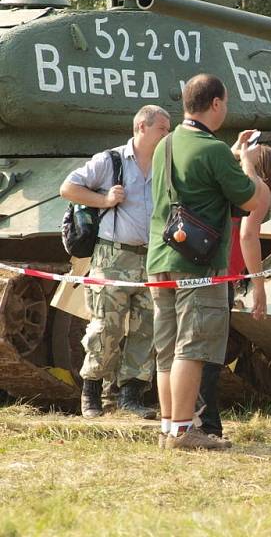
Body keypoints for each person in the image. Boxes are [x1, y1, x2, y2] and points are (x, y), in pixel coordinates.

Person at [147, 73, 269, 451]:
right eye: (225, 103)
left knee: (167, 349)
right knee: (194, 347)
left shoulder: (165, 144)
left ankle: (171, 426)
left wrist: (230, 154)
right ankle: (185, 433)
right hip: (199, 265)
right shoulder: (212, 149)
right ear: (215, 103)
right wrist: (247, 164)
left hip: (161, 258)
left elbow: (195, 179)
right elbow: (252, 201)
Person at [60, 105, 171, 419]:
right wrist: (105, 200)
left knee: (147, 327)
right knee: (104, 326)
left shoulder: (167, 162)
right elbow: (68, 187)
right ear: (141, 127)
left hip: (153, 255)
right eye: (162, 128)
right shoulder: (111, 161)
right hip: (113, 255)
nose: (167, 134)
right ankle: (92, 393)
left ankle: (130, 396)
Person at [196, 142, 271, 442]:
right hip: (219, 276)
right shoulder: (255, 191)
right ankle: (207, 424)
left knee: (193, 348)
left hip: (200, 270)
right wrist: (258, 286)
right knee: (210, 352)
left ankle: (191, 418)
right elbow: (248, 235)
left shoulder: (227, 183)